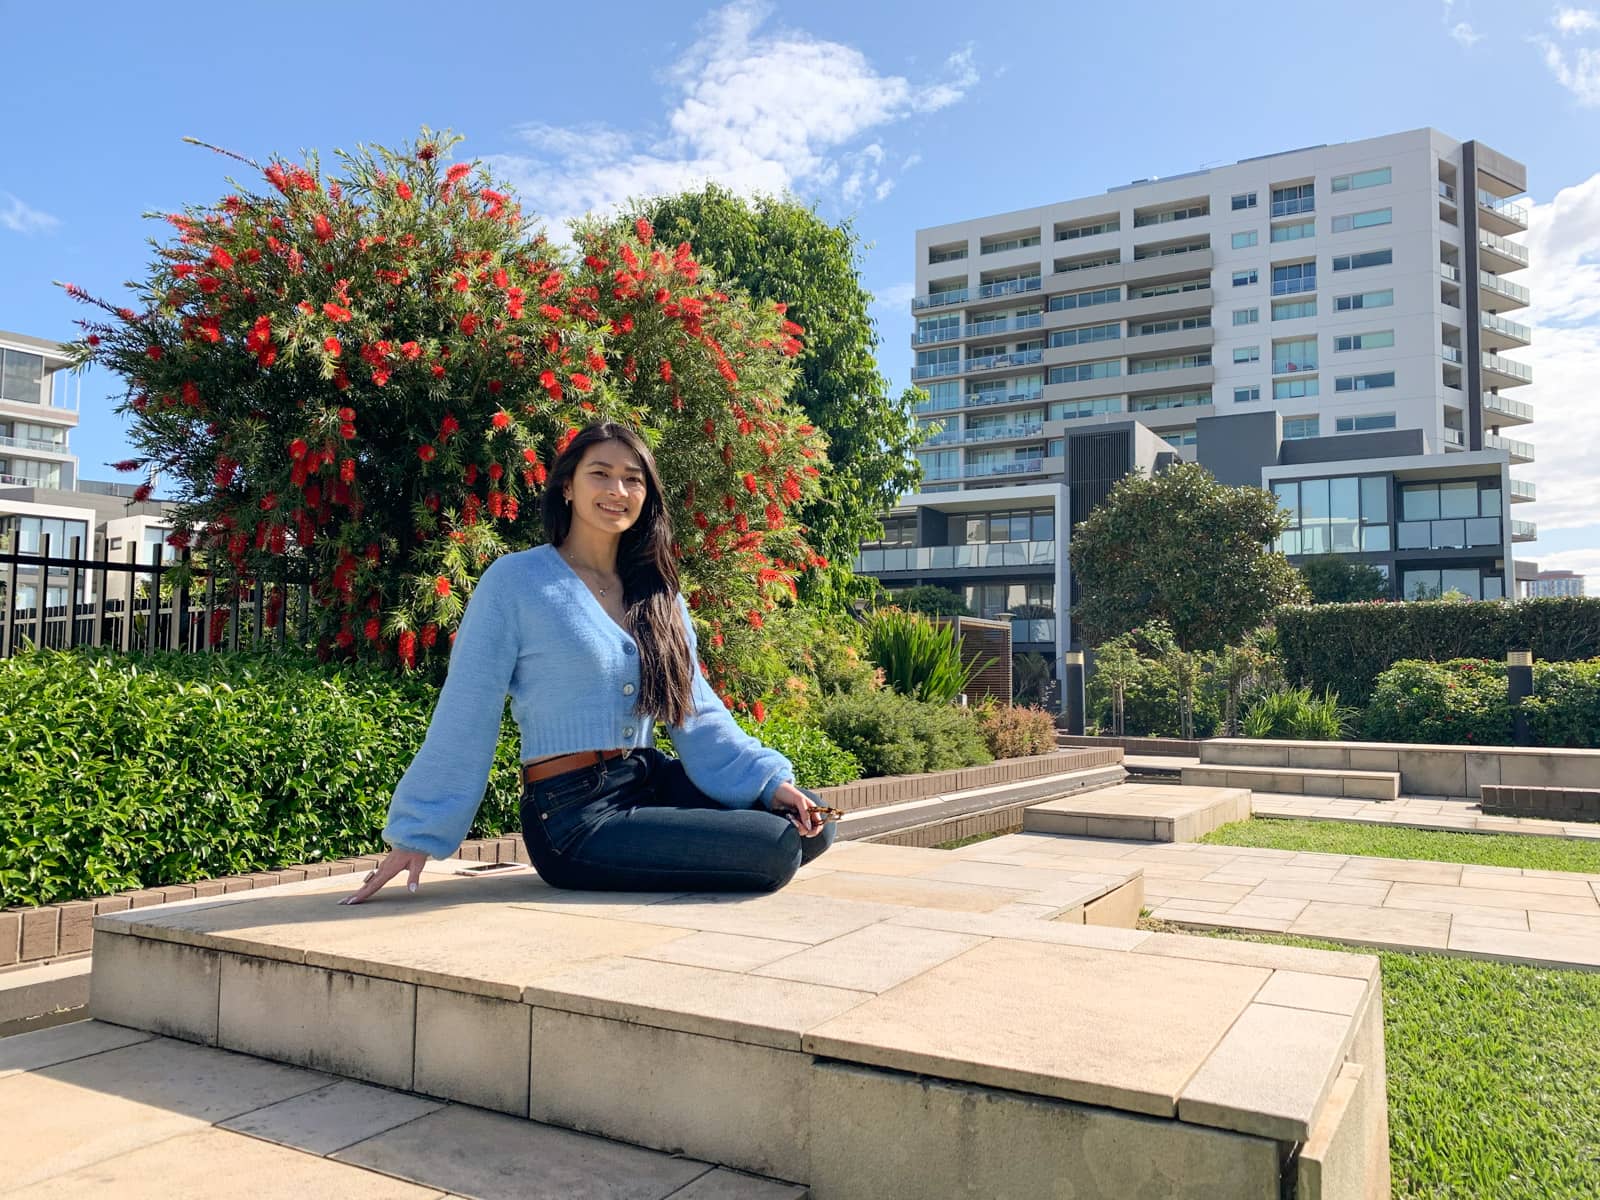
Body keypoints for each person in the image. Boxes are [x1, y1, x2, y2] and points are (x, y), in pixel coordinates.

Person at [341, 421, 835, 905]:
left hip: (648, 781)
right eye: (600, 473)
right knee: (774, 847)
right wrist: (418, 833)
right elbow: (468, 707)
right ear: (568, 488)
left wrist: (771, 783)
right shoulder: (516, 582)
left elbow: (696, 710)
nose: (616, 489)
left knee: (814, 821)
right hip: (572, 813)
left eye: (632, 478)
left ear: (647, 495)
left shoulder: (657, 592)